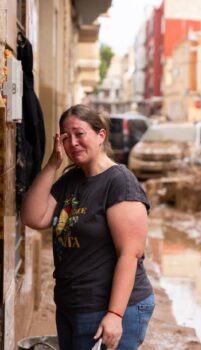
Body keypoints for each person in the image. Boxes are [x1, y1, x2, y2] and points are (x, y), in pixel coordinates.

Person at [21, 104, 155, 350]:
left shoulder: (119, 182)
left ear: (101, 135)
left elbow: (130, 254)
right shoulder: (70, 180)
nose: (73, 143)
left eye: (79, 134)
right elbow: (33, 217)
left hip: (110, 307)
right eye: (66, 136)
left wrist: (115, 315)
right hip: (72, 305)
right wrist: (53, 163)